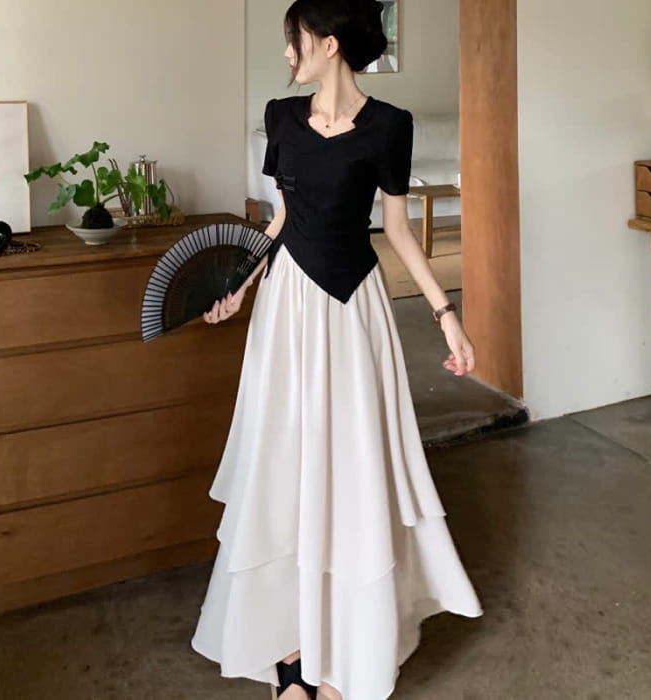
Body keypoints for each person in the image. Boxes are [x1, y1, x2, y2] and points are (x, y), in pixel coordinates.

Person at [190, 1, 483, 698]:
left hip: (354, 310)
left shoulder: (390, 126)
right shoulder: (281, 118)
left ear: (326, 44)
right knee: (286, 463)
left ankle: (345, 655)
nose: (287, 55)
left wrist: (447, 315)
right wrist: (239, 287)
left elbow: (398, 230)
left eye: (293, 41)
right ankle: (292, 654)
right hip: (288, 308)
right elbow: (281, 220)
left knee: (350, 467)